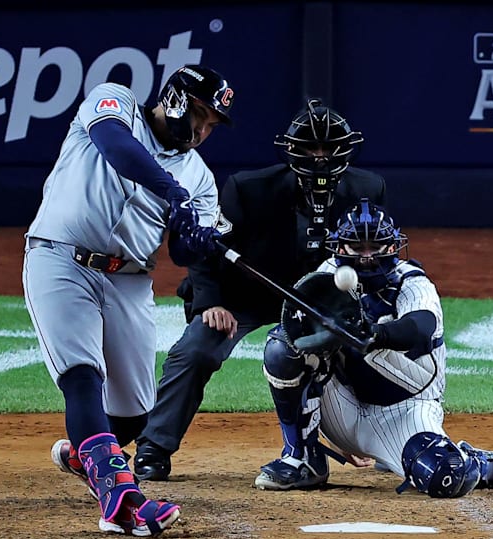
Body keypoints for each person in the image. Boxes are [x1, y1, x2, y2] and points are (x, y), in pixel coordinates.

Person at [25, 64, 234, 536]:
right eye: (200, 115)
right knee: (82, 378)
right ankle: (123, 503)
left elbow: (181, 251)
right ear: (177, 98)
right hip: (62, 258)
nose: (202, 132)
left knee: (133, 414)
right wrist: (171, 193)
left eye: (211, 126)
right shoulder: (114, 102)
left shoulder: (200, 177)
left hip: (130, 281)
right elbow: (119, 150)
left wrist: (197, 238)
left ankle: (87, 454)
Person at [132, 99, 386, 481]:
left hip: (319, 302)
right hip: (245, 295)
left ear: (344, 150)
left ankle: (370, 439)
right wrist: (211, 303)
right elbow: (206, 248)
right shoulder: (249, 189)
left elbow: (373, 260)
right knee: (198, 348)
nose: (319, 158)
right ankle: (153, 446)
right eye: (310, 148)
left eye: (328, 148)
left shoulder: (368, 189)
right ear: (292, 151)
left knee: (369, 344)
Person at [254, 201, 493, 497]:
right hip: (345, 406)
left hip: (406, 409)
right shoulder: (328, 277)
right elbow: (297, 330)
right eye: (356, 247)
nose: (366, 257)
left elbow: (420, 327)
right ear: (340, 248)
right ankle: (302, 458)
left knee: (446, 475)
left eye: (375, 246)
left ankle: (478, 461)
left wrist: (376, 333)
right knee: (282, 348)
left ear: (392, 247)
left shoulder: (412, 283)